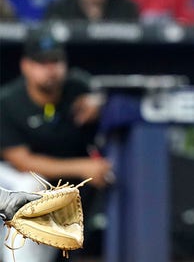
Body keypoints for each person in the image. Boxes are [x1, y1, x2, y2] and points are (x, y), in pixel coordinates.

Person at [0, 27, 113, 262]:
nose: (51, 69)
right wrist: (83, 167)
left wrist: (99, 102)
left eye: (56, 61)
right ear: (26, 66)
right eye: (42, 63)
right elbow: (22, 162)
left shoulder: (78, 87)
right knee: (29, 188)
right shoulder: (9, 101)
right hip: (9, 178)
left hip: (57, 180)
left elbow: (105, 95)